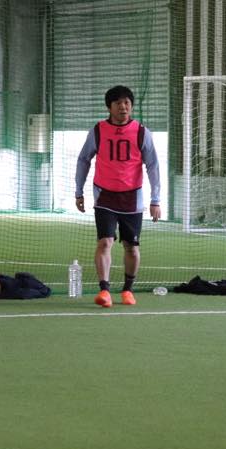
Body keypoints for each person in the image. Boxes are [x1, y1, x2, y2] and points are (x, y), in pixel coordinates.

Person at [75, 85, 161, 307]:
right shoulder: (98, 131)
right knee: (105, 242)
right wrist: (78, 191)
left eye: (127, 103)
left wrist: (155, 199)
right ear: (109, 107)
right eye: (118, 103)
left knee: (131, 247)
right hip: (104, 196)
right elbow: (84, 159)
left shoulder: (142, 132)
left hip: (132, 198)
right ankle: (104, 290)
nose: (123, 107)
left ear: (131, 106)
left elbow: (152, 165)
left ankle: (127, 290)